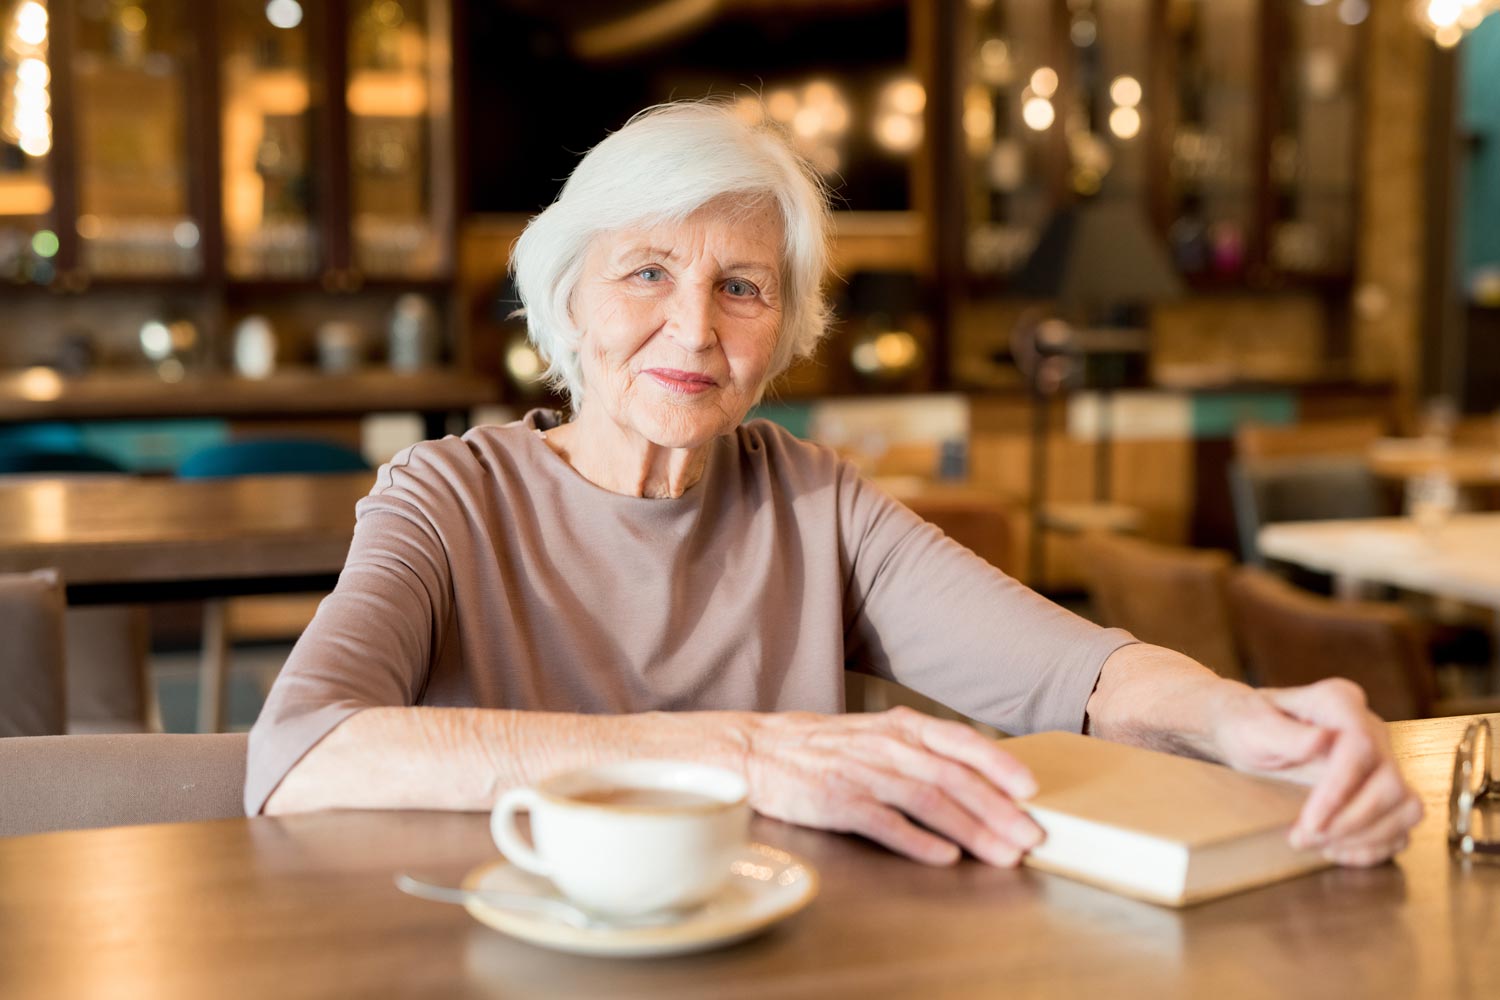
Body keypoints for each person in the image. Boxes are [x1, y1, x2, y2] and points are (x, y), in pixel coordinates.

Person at [247, 101, 1420, 870]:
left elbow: (1080, 671)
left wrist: (1243, 717)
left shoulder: (816, 500)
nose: (692, 328)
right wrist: (739, 751)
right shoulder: (446, 497)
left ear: (786, 329)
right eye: (646, 270)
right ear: (567, 301)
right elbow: (301, 754)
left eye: (743, 287)